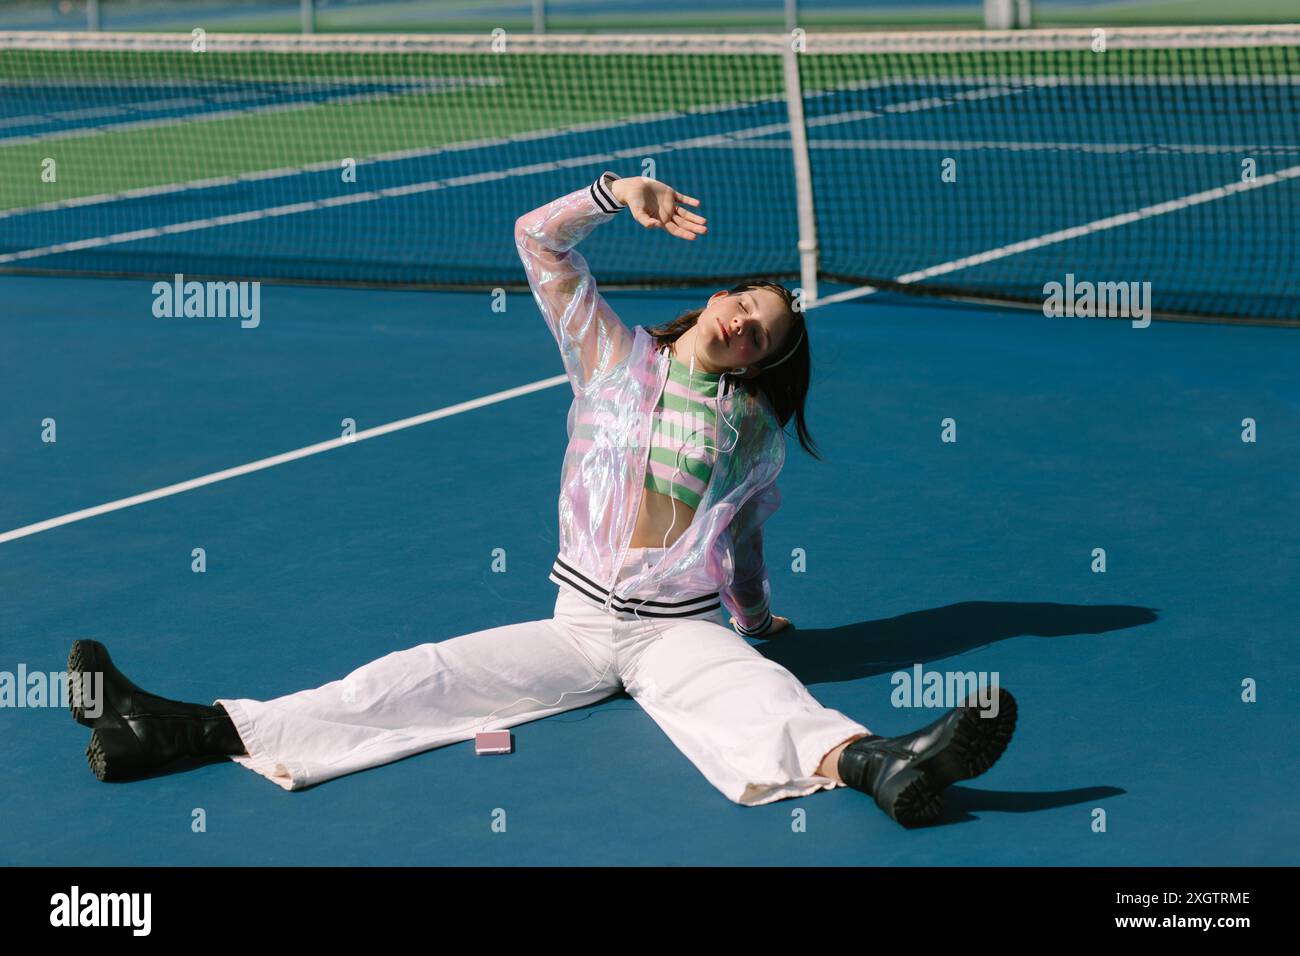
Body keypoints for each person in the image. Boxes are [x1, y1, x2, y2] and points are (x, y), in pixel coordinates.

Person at [66, 171, 1016, 828]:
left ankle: (884, 766)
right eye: (746, 305)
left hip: (676, 627)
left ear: (761, 364)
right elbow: (536, 239)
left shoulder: (753, 429)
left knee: (757, 694)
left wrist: (758, 619)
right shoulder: (611, 354)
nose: (743, 326)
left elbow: (744, 539)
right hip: (574, 622)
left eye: (762, 337)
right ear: (719, 296)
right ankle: (169, 729)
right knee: (410, 681)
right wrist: (613, 194)